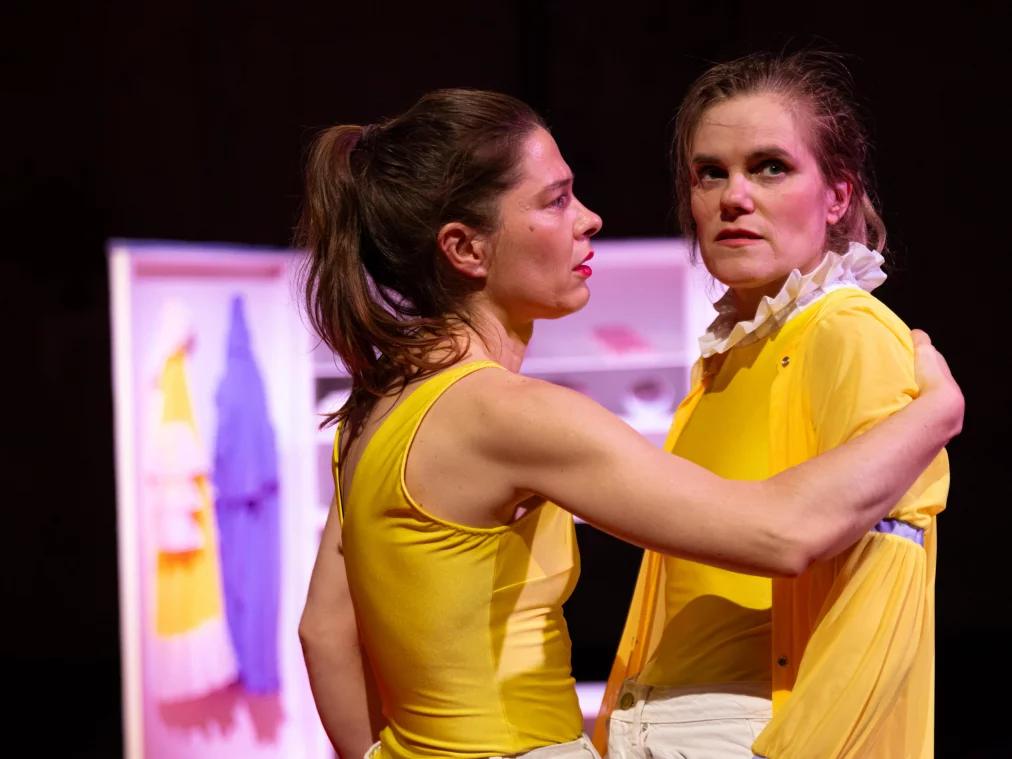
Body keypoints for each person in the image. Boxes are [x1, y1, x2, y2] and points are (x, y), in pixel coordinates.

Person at [295, 88, 961, 759]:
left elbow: (322, 631)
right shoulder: (510, 414)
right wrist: (935, 414)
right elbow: (781, 532)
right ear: (466, 249)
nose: (589, 219)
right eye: (555, 200)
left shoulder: (374, 408)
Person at [597, 53, 948, 759]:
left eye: (770, 167)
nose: (734, 197)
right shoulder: (728, 356)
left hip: (753, 732)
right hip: (659, 726)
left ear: (838, 195)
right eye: (710, 172)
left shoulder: (847, 331)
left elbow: (886, 580)